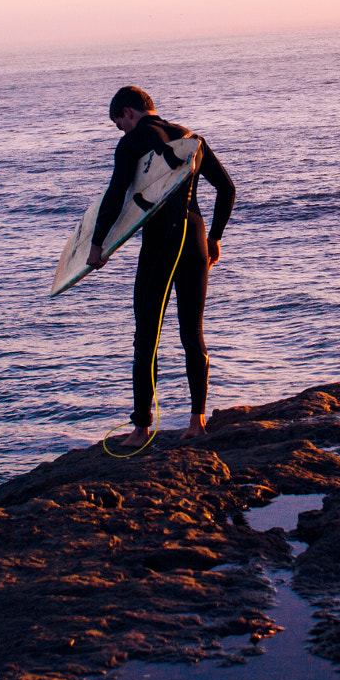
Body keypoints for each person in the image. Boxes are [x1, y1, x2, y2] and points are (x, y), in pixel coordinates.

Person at [85, 85, 235, 449]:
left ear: (127, 112)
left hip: (161, 242)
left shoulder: (133, 141)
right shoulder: (190, 137)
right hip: (195, 238)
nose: (120, 130)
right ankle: (197, 420)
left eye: (118, 123)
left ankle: (141, 428)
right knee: (192, 334)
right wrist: (214, 238)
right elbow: (227, 189)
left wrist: (96, 244)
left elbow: (117, 193)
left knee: (146, 337)